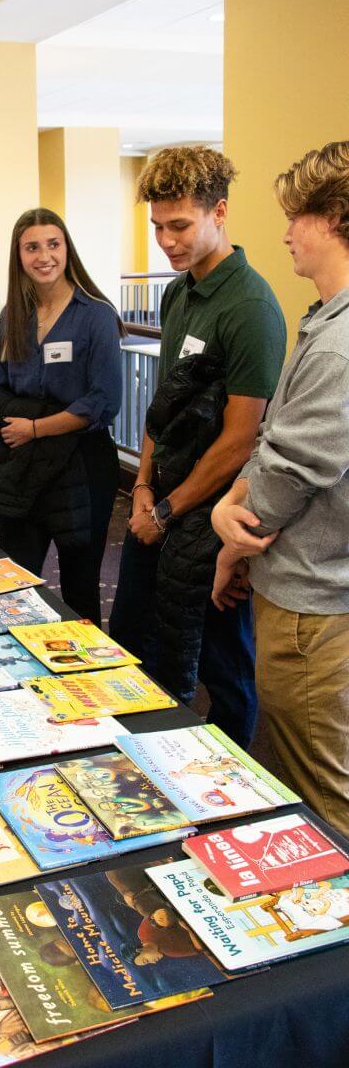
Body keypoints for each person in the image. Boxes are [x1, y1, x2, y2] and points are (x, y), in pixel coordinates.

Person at [108, 147, 286, 749]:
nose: (166, 241)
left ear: (220, 212)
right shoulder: (178, 293)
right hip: (157, 503)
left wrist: (168, 509)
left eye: (179, 225)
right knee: (136, 641)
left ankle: (237, 785)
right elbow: (163, 408)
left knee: (222, 667)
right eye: (157, 227)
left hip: (212, 514)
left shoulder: (253, 307)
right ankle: (150, 758)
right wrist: (140, 490)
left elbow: (240, 439)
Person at [211, 141, 349, 836]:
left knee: (321, 798)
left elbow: (289, 473)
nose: (288, 232)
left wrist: (228, 533)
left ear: (334, 219)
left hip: (314, 607)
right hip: (310, 590)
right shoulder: (326, 321)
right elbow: (277, 448)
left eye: (298, 217)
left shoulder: (340, 343)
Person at [0, 207, 123, 626]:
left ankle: (86, 679)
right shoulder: (12, 318)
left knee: (79, 587)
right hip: (24, 467)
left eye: (53, 244)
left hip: (83, 466)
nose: (44, 256)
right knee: (12, 584)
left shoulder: (96, 315)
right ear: (18, 255)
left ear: (67, 249)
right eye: (31, 247)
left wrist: (36, 426)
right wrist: (31, 426)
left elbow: (104, 401)